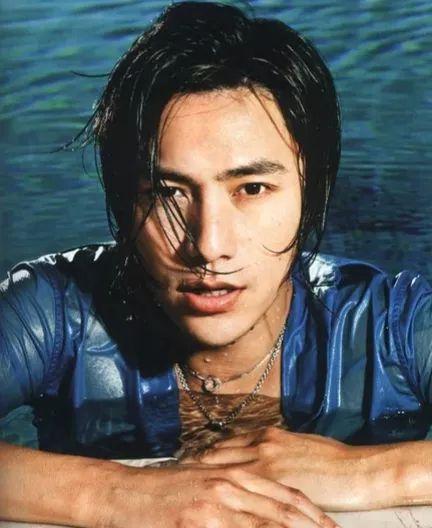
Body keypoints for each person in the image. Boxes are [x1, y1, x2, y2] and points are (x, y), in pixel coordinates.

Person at [1, 1, 431, 526]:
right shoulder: (54, 311)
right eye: (168, 193)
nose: (208, 246)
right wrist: (117, 494)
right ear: (121, 199)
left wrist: (368, 472)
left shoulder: (392, 326)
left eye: (252, 188)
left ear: (309, 190)